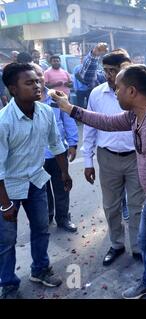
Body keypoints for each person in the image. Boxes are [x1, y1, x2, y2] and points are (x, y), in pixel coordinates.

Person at [52, 64, 146, 299]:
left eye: (118, 87)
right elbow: (105, 122)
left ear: (131, 91)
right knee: (144, 243)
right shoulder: (135, 115)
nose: (114, 90)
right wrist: (69, 108)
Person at [0, 63, 72, 299]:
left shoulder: (45, 112)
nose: (37, 86)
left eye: (38, 81)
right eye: (29, 83)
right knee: (7, 239)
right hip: (8, 187)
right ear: (13, 89)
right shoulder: (3, 121)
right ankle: (9, 284)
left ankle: (40, 269)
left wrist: (64, 173)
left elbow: (56, 144)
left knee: (41, 229)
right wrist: (5, 203)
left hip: (36, 181)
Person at [80, 48, 146, 266]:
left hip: (136, 157)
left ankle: (138, 246)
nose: (108, 76)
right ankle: (116, 244)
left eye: (113, 71)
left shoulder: (138, 93)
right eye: (106, 70)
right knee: (111, 206)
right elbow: (89, 129)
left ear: (124, 71)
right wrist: (88, 162)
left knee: (137, 205)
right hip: (107, 157)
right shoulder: (96, 94)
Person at [32, 63, 78, 232]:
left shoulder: (57, 98)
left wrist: (73, 143)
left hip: (58, 151)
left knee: (62, 186)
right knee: (42, 189)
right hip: (36, 155)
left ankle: (63, 218)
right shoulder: (26, 102)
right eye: (33, 76)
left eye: (40, 75)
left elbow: (69, 120)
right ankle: (48, 216)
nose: (37, 80)